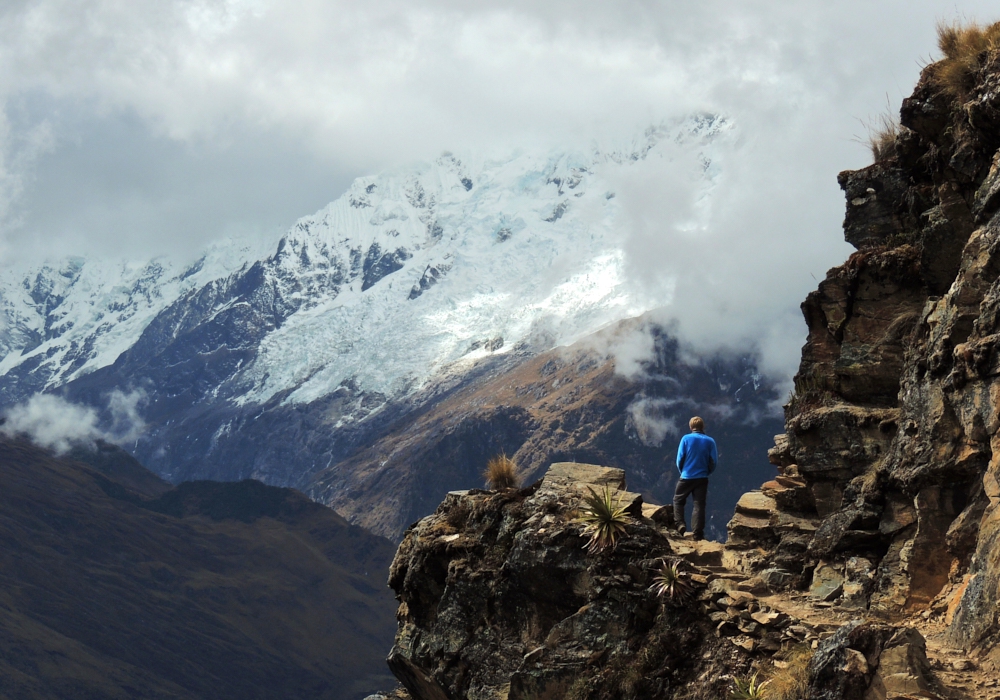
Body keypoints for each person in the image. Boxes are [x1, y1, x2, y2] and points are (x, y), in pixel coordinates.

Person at [673, 416, 717, 541]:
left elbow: (679, 459)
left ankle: (680, 524)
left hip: (686, 476)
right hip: (702, 477)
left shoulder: (686, 439)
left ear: (691, 427)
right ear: (703, 427)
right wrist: (707, 472)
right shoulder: (710, 441)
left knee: (678, 500)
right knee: (699, 505)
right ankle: (697, 534)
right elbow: (714, 461)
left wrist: (683, 471)